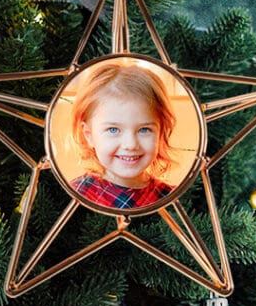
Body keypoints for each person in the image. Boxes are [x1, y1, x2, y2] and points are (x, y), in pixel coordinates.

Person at [68, 62, 176, 211]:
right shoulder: (76, 196)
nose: (131, 144)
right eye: (113, 130)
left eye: (144, 129)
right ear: (89, 135)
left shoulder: (171, 198)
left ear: (161, 132)